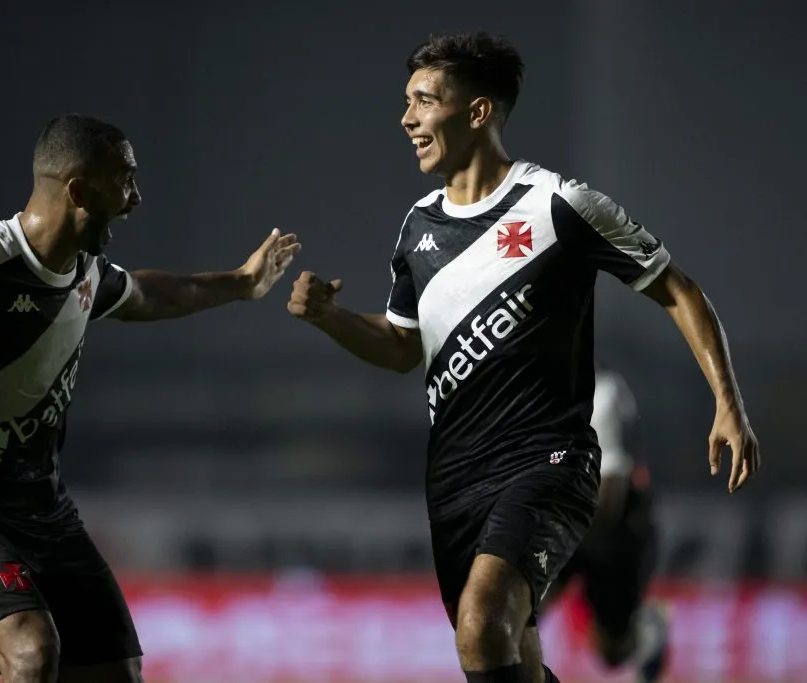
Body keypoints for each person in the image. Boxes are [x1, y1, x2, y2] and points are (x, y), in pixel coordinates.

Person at [287, 31, 759, 683]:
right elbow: (400, 349)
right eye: (406, 101)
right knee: (500, 654)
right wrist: (329, 317)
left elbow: (677, 288)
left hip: (548, 460)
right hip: (454, 479)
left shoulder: (560, 206)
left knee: (484, 623)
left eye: (424, 101)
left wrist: (728, 402)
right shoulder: (418, 226)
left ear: (478, 111)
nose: (407, 118)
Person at [0, 113, 300, 683]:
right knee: (31, 651)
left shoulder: (83, 270)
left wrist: (242, 283)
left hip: (43, 509)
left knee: (117, 670)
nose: (136, 198)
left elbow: (151, 294)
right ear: (79, 191)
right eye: (125, 180)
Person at [543, 367, 669, 683]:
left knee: (613, 649)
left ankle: (645, 628)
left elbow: (611, 493)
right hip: (574, 523)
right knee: (515, 609)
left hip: (614, 530)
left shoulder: (598, 395)